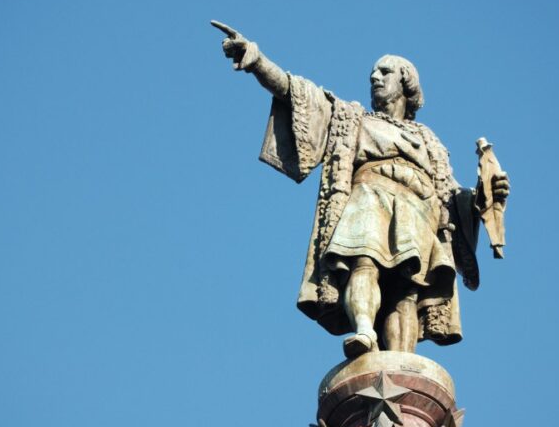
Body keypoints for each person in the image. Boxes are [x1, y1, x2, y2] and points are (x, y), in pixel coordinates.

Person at [212, 21, 510, 358]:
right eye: (373, 72)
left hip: (419, 210)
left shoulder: (431, 144)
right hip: (369, 195)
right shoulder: (352, 118)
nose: (375, 77)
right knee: (362, 261)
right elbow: (296, 93)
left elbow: (453, 198)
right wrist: (256, 60)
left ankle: (402, 360)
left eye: (385, 71)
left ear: (406, 83)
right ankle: (365, 330)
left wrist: (484, 196)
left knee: (407, 290)